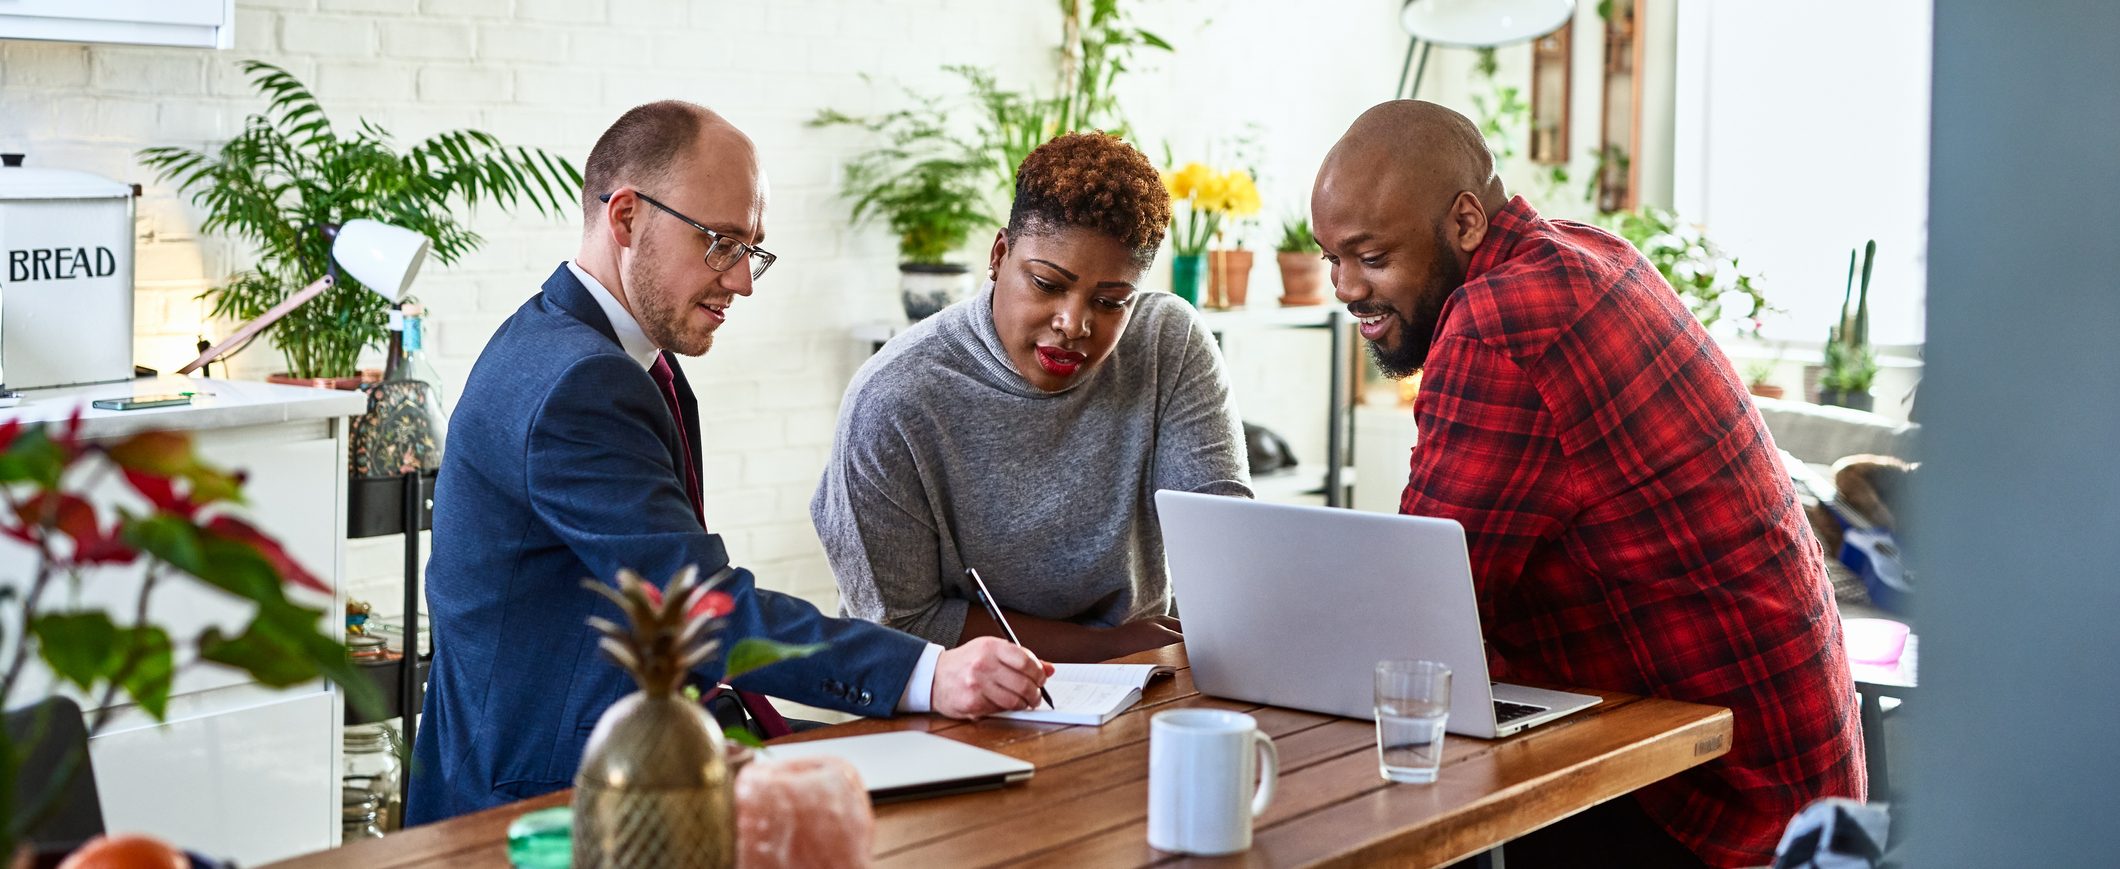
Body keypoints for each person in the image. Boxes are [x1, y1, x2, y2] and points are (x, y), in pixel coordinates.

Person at [409, 101, 1052, 824]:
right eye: (720, 242)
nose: (743, 280)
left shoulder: (599, 351)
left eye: (752, 248)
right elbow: (701, 608)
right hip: (544, 800)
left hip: (634, 747)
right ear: (625, 218)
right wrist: (929, 671)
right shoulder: (579, 383)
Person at [1310, 100, 1864, 868]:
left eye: (1371, 257)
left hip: (1716, 801)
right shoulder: (1589, 251)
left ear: (1466, 222)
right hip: (1799, 779)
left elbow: (1420, 616)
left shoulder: (1499, 321)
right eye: (1330, 256)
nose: (1344, 286)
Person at [811, 132, 1249, 663]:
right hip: (956, 702)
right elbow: (898, 624)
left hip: (1141, 682)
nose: (1074, 324)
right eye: (1046, 284)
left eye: (1111, 301)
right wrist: (1106, 647)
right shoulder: (893, 399)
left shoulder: (1166, 343)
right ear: (999, 255)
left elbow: (1222, 545)